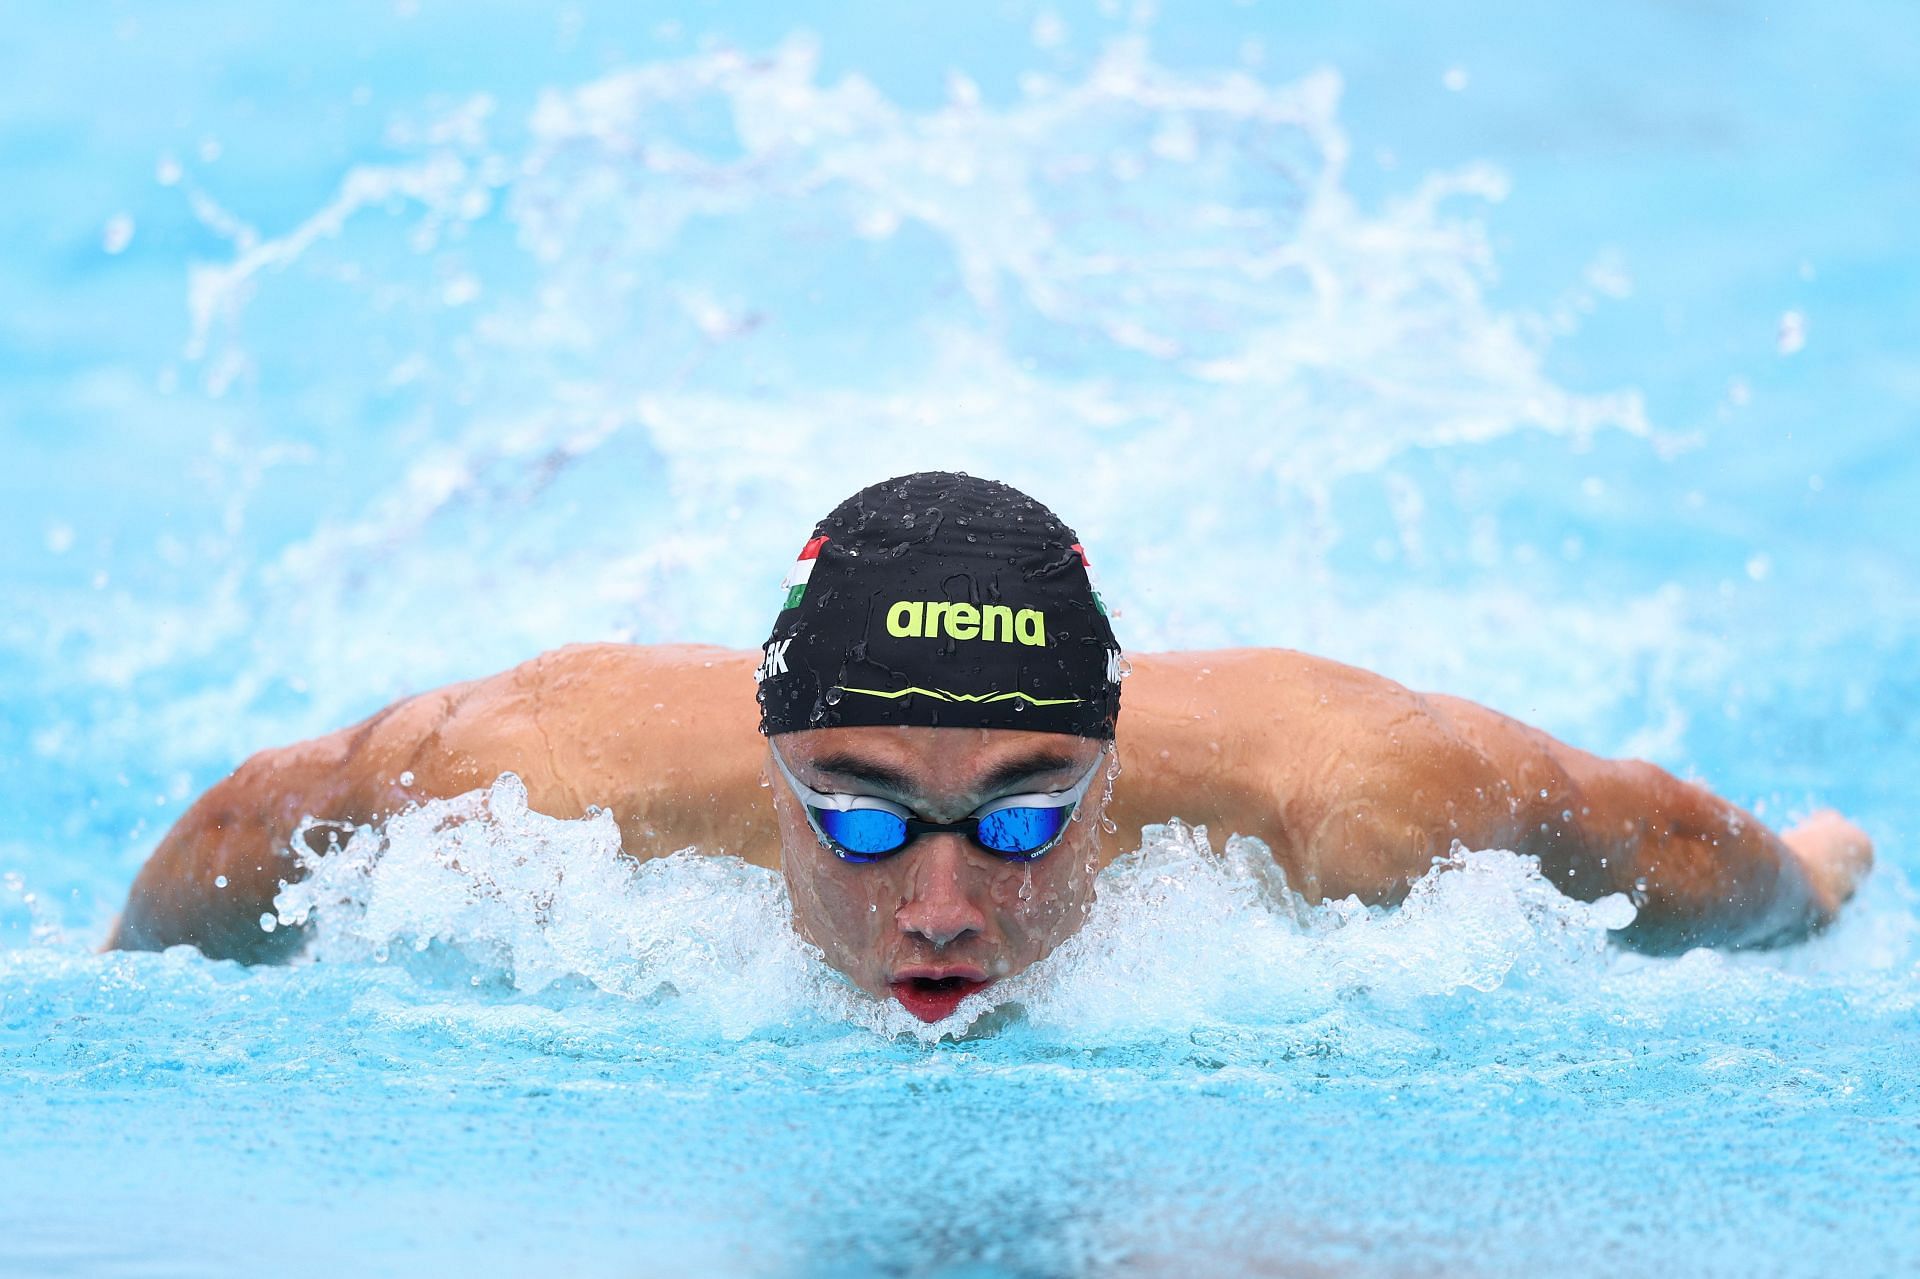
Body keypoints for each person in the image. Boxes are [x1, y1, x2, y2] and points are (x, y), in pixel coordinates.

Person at [107, 472, 1873, 1023]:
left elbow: (1696, 856)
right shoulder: (551, 787)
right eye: (860, 825)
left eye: (1025, 823)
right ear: (769, 758)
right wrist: (92, 979)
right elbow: (270, 820)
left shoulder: (1356, 805)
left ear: (1118, 769)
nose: (941, 908)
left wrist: (1817, 871)